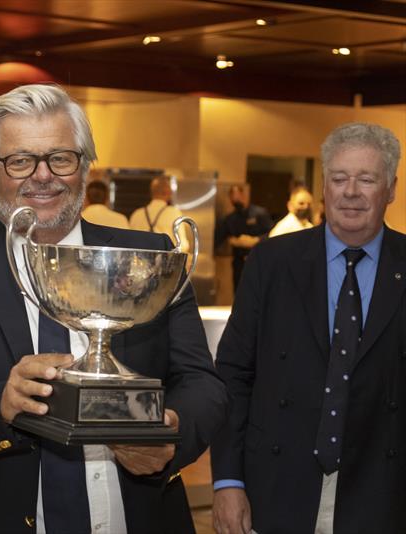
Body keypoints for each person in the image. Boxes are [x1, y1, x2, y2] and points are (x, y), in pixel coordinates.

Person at [0, 84, 227, 533]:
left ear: (84, 166)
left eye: (61, 157)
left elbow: (202, 383)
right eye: (20, 160)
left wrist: (168, 432)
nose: (42, 176)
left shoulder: (148, 258)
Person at [211, 122, 405, 534]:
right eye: (339, 178)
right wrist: (228, 480)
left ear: (390, 188)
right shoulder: (271, 262)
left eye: (366, 179)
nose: (350, 191)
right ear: (324, 187)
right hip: (275, 488)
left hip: (382, 494)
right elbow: (233, 374)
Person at [216, 184, 273, 291]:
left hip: (259, 260)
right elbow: (218, 238)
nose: (235, 200)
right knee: (239, 291)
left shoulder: (260, 213)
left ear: (243, 195)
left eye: (237, 197)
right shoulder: (229, 219)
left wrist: (255, 240)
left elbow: (272, 234)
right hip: (239, 263)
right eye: (233, 198)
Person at [130, 176, 189, 252]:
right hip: (164, 261)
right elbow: (182, 245)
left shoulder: (136, 214)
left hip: (140, 261)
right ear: (168, 192)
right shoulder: (174, 213)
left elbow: (130, 244)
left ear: (151, 192)